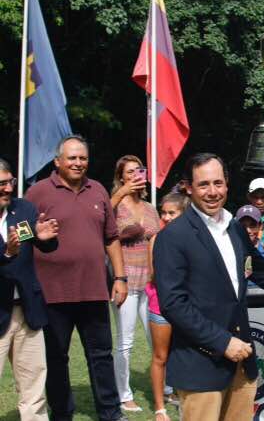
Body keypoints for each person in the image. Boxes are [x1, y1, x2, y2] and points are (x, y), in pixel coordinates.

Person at [153, 153, 264, 421]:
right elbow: (173, 304)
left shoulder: (235, 229)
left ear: (227, 184)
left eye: (218, 183)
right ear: (188, 188)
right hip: (201, 366)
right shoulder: (172, 237)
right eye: (204, 184)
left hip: (242, 364)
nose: (212, 192)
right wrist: (222, 341)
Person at [26, 135, 129, 421]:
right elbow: (17, 233)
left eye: (82, 158)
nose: (78, 163)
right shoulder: (37, 193)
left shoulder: (97, 191)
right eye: (71, 158)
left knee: (101, 356)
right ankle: (62, 413)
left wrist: (119, 278)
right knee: (56, 358)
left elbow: (111, 238)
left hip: (94, 289)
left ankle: (110, 412)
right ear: (57, 161)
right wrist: (35, 232)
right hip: (51, 293)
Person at [0, 158, 59, 421]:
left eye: (10, 182)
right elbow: (9, 255)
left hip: (26, 310)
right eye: (1, 184)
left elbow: (39, 243)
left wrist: (46, 239)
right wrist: (7, 253)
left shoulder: (23, 209)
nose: (8, 189)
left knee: (34, 383)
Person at [110, 155, 161, 412]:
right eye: (129, 172)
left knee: (157, 338)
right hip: (125, 280)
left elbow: (155, 240)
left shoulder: (151, 208)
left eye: (139, 170)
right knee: (125, 341)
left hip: (149, 282)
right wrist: (119, 195)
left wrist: (156, 274)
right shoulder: (115, 205)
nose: (135, 175)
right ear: (121, 177)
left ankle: (166, 390)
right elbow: (99, 224)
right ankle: (124, 395)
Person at [147, 191, 190, 421]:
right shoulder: (156, 239)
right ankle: (160, 408)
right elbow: (154, 276)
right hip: (161, 304)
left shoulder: (194, 238)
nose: (165, 217)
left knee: (185, 354)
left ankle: (184, 398)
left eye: (171, 213)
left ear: (184, 214)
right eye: (163, 213)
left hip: (187, 306)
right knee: (160, 356)